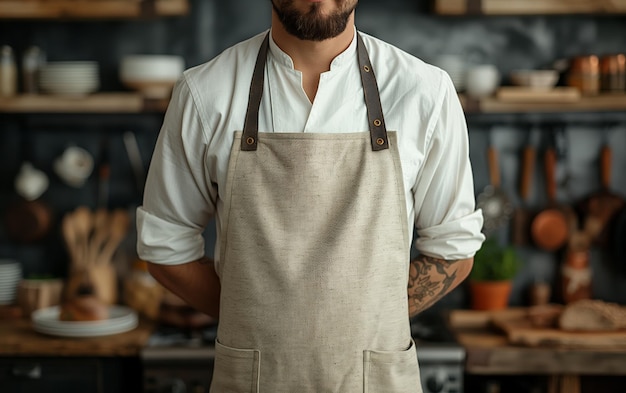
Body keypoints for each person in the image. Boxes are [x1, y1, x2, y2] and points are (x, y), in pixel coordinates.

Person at [137, 0, 485, 391]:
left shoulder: (425, 92)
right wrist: (257, 318)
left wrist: (357, 322)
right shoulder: (205, 93)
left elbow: (454, 251)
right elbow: (165, 249)